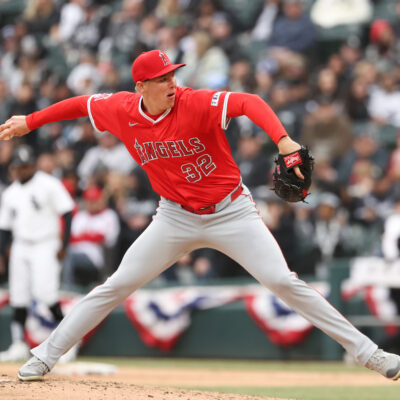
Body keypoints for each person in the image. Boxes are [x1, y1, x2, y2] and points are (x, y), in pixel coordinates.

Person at [0, 50, 399, 381]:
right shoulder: (121, 108)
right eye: (161, 79)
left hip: (231, 211)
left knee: (283, 280)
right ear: (140, 87)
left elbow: (249, 102)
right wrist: (29, 122)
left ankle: (372, 355)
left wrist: (283, 139)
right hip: (174, 217)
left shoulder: (194, 102)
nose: (171, 83)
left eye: (172, 74)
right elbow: (79, 105)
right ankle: (44, 355)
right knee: (116, 284)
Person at [0, 145, 74, 362]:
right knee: (18, 295)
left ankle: (68, 343)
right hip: (21, 244)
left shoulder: (48, 184)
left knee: (47, 294)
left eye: (27, 166)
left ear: (33, 165)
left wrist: (64, 244)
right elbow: (4, 228)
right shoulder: (11, 192)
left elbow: (68, 212)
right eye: (19, 167)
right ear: (14, 168)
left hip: (45, 243)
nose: (23, 170)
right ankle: (18, 344)